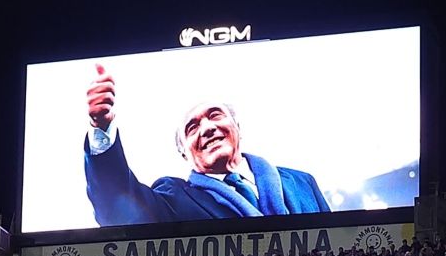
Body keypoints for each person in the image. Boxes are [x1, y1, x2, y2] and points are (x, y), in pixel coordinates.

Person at [82, 65, 329, 226]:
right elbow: (116, 207)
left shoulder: (302, 182)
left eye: (216, 115)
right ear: (184, 153)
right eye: (192, 128)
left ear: (237, 127)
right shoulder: (174, 199)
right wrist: (102, 127)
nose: (207, 128)